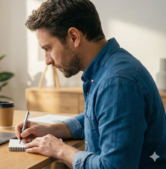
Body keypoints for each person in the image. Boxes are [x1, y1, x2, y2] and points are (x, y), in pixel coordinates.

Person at [15, 0, 166, 168]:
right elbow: (97, 119)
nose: (47, 60)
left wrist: (61, 150)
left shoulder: (116, 82)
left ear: (74, 37)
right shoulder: (108, 67)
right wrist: (52, 129)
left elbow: (113, 167)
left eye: (48, 48)